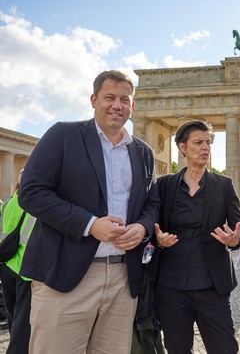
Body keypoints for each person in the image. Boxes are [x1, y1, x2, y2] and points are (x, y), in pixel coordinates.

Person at [18, 70, 160, 353]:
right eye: (109, 97)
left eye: (124, 99)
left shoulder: (142, 151)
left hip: (122, 278)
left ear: (132, 106)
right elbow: (31, 192)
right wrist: (90, 224)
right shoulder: (63, 135)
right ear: (94, 99)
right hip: (66, 276)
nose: (117, 105)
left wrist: (142, 227)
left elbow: (151, 202)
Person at [153, 119, 240, 354]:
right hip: (171, 287)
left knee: (225, 349)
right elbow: (152, 228)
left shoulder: (223, 185)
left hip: (211, 285)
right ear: (182, 148)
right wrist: (158, 239)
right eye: (198, 142)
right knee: (177, 349)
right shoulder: (164, 185)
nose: (205, 147)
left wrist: (235, 240)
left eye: (208, 142)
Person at [0, 167, 37, 354]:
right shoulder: (35, 204)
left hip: (5, 264)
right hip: (25, 266)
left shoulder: (6, 204)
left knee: (12, 315)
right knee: (24, 320)